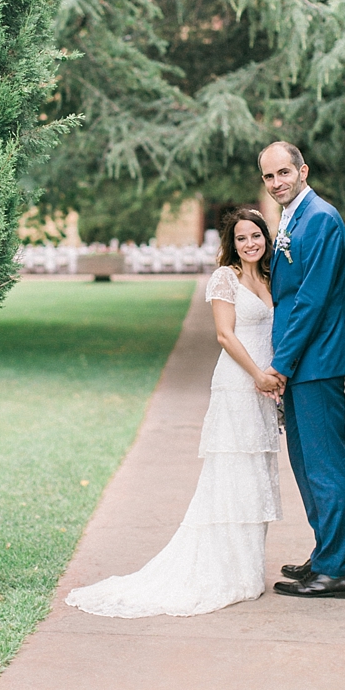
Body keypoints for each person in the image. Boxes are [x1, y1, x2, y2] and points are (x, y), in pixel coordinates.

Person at [65, 208, 282, 617]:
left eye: (256, 235)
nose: (250, 243)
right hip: (238, 382)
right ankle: (226, 570)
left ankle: (248, 569)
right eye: (241, 238)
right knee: (232, 471)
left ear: (265, 239)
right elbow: (224, 334)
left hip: (264, 386)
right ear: (231, 244)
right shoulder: (226, 279)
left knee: (255, 471)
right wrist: (256, 374)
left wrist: (274, 375)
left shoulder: (269, 278)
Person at [258, 141, 345, 600]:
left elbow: (312, 299)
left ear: (303, 170)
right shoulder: (293, 216)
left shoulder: (321, 218)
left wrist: (280, 364)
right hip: (302, 360)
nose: (277, 182)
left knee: (325, 465)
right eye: (269, 176)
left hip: (316, 360)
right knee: (305, 462)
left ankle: (337, 570)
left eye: (284, 172)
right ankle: (325, 556)